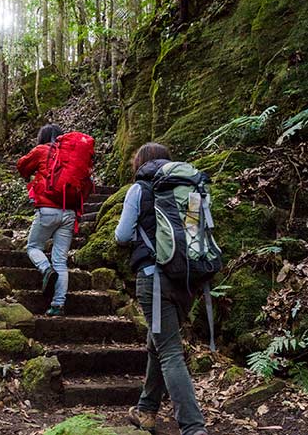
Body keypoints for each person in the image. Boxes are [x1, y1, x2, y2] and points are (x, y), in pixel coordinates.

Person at [115, 142, 208, 435]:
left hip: (153, 277)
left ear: (141, 163)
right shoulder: (187, 187)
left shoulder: (139, 189)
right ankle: (146, 411)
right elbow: (195, 234)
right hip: (189, 278)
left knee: (169, 351)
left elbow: (122, 235)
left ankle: (193, 427)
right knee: (157, 344)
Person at [16, 124, 75, 317]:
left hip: (48, 209)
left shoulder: (41, 150)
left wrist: (30, 175)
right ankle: (58, 305)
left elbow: (22, 166)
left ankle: (45, 269)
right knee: (61, 260)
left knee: (33, 247)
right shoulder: (71, 153)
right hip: (69, 211)